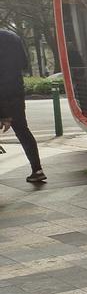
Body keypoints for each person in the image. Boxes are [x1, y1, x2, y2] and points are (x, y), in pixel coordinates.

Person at [0, 28, 46, 183]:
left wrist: (4, 114)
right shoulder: (13, 36)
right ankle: (37, 169)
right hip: (16, 90)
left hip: (2, 92)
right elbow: (24, 64)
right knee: (23, 131)